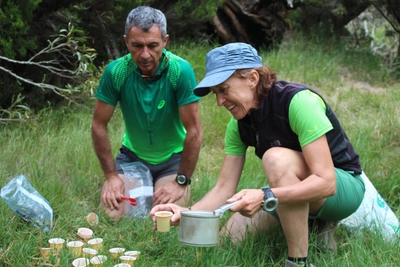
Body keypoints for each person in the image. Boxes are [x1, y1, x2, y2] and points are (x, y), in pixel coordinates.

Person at [150, 42, 365, 267]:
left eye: (224, 89)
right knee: (228, 240)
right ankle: (313, 226)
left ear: (252, 78)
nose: (219, 102)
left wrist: (265, 196)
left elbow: (326, 183)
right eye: (215, 93)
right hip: (291, 188)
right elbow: (224, 188)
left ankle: (298, 261)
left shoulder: (299, 102)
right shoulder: (239, 124)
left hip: (342, 187)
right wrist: (186, 213)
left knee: (276, 159)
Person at [91, 6, 202, 219]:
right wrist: (111, 176)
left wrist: (182, 180)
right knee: (113, 215)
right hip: (132, 157)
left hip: (172, 159)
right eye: (137, 46)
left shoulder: (180, 71)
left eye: (153, 45)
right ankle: (130, 182)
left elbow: (194, 131)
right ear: (126, 42)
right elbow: (98, 124)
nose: (145, 55)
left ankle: (160, 185)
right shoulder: (116, 72)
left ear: (165, 41)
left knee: (166, 218)